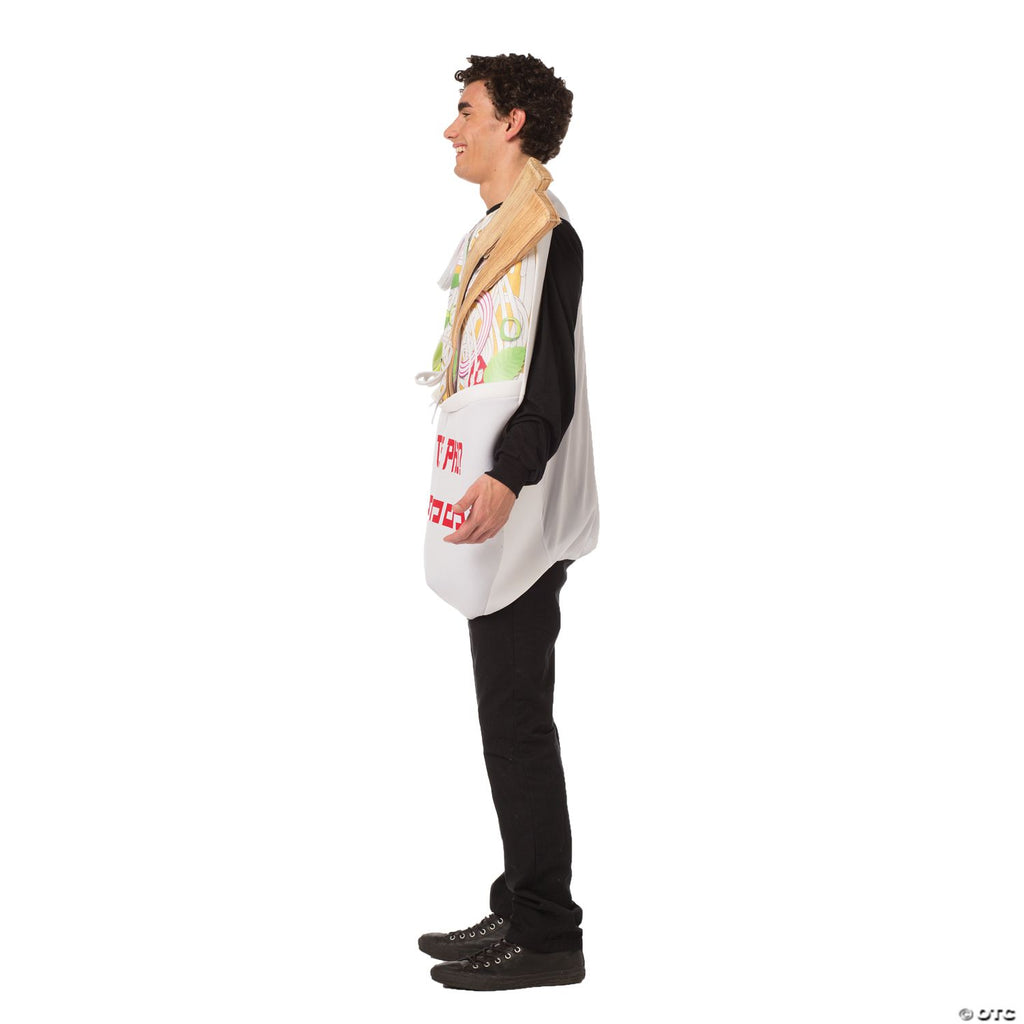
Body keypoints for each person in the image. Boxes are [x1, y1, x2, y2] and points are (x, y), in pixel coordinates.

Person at [415, 53, 599, 992]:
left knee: (519, 723)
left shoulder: (546, 237)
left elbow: (549, 386)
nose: (452, 128)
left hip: (518, 511)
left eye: (466, 110)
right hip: (494, 498)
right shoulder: (497, 232)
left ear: (511, 123)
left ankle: (548, 935)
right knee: (508, 720)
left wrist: (506, 478)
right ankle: (522, 903)